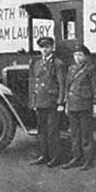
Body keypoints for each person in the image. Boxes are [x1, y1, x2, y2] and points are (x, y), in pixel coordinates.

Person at [62, 43, 96, 171]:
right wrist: (67, 104)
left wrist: (95, 104)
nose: (77, 57)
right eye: (75, 55)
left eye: (80, 55)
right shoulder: (71, 69)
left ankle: (88, 160)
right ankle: (76, 158)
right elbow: (68, 88)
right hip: (73, 105)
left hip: (85, 105)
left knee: (86, 135)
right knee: (74, 135)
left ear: (85, 56)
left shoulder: (90, 69)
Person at [29, 36, 66, 167]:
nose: (44, 50)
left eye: (47, 47)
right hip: (40, 101)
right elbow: (35, 84)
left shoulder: (58, 64)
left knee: (52, 132)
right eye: (42, 47)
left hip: (52, 102)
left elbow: (62, 84)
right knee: (42, 131)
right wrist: (33, 102)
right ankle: (44, 156)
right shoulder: (38, 63)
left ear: (52, 48)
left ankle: (55, 158)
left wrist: (61, 102)